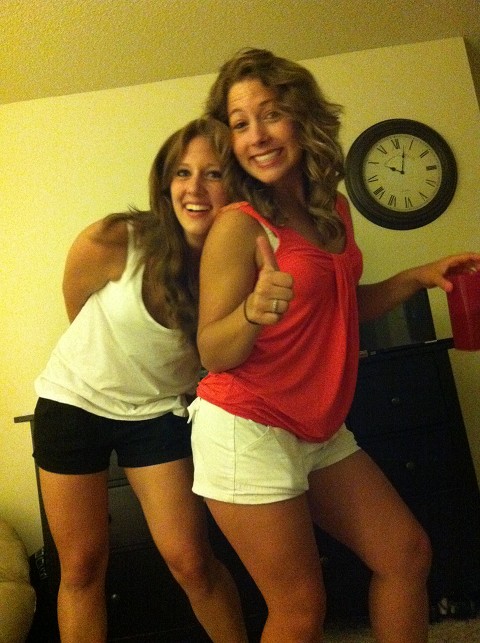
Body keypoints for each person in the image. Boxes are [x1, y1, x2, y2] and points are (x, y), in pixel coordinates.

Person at [188, 48, 480, 643]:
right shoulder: (239, 225)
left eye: (271, 114)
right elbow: (213, 352)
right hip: (247, 428)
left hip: (317, 428)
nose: (256, 136)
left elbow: (343, 307)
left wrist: (420, 275)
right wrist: (251, 311)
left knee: (405, 554)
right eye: (240, 124)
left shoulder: (333, 210)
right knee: (299, 610)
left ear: (303, 118)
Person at [32, 118, 248, 643]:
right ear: (165, 183)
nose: (195, 188)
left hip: (156, 414)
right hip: (71, 403)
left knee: (191, 560)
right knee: (81, 566)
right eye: (183, 173)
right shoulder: (115, 240)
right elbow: (75, 303)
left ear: (238, 185)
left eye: (214, 173)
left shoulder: (242, 262)